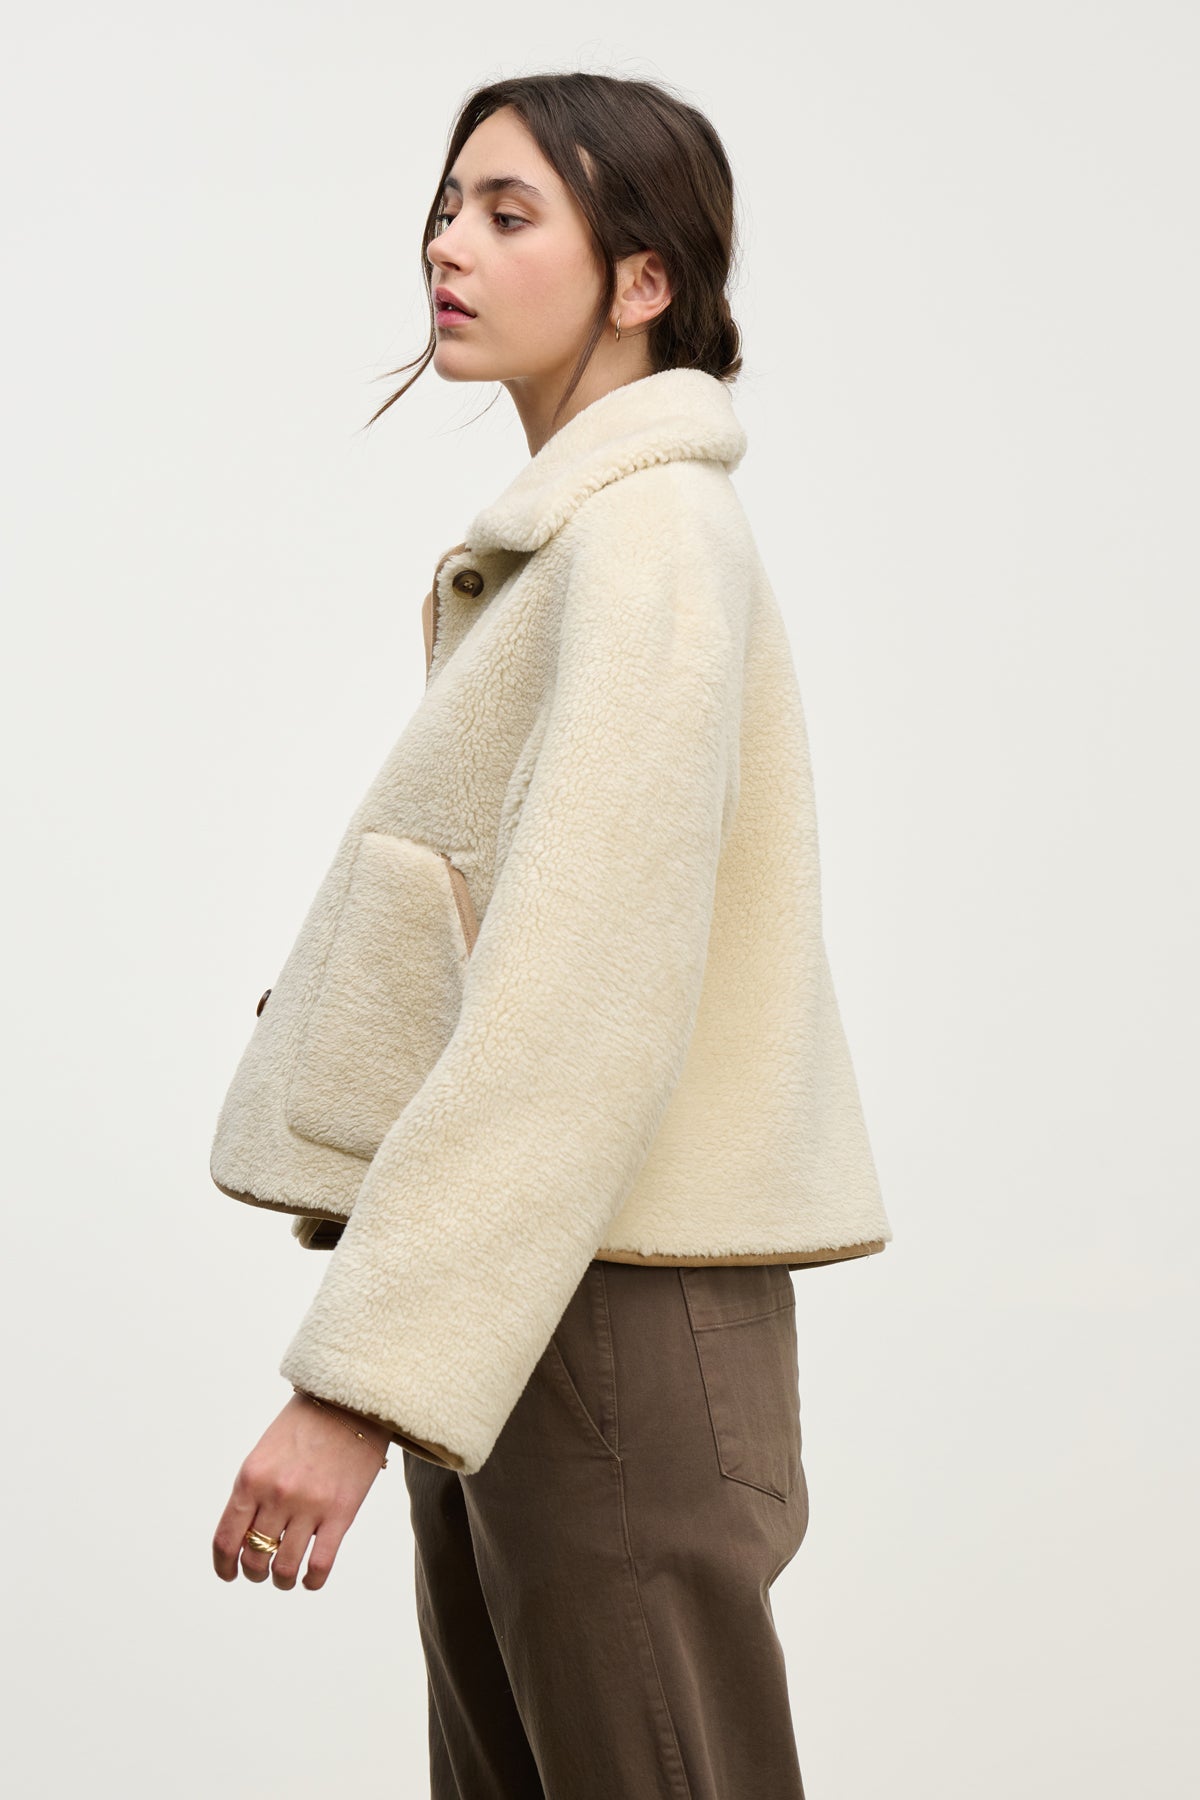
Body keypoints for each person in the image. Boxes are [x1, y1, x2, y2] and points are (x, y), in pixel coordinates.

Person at [209, 70, 892, 1800]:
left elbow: (576, 1007)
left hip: (606, 1320)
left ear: (642, 278)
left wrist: (356, 1387)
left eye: (510, 214)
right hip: (532, 1299)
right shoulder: (580, 545)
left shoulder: (648, 542)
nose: (450, 245)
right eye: (447, 207)